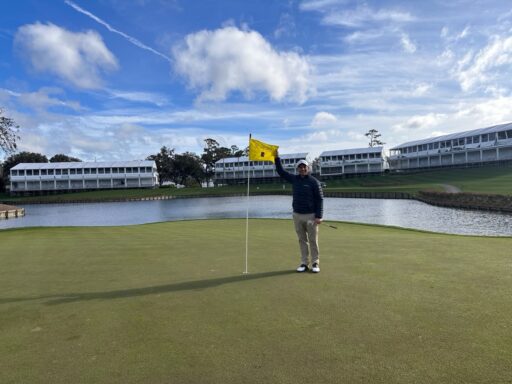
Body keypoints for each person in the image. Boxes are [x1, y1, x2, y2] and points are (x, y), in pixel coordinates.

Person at [275, 153, 324, 273]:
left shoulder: (314, 182)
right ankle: (304, 263)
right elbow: (281, 172)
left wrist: (319, 216)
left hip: (311, 215)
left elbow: (320, 199)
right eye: (300, 167)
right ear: (298, 169)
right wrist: (277, 158)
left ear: (308, 168)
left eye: (304, 167)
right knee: (302, 240)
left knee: (312, 240)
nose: (302, 169)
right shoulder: (294, 179)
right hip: (297, 215)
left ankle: (315, 263)